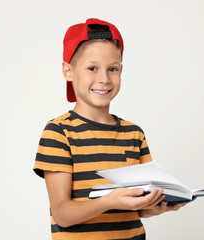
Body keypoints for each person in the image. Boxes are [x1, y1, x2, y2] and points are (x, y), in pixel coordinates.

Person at [33, 18, 187, 240]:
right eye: (92, 68)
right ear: (68, 71)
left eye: (112, 69)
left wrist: (157, 206)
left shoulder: (134, 134)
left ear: (121, 71)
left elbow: (138, 208)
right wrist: (108, 201)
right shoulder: (58, 133)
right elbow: (62, 214)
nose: (104, 79)